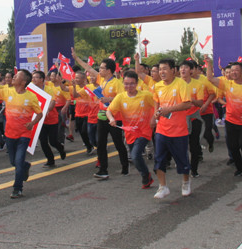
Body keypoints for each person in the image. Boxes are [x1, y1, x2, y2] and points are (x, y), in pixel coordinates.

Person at [0, 68, 42, 198]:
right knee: (13, 162)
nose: (14, 77)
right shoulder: (7, 91)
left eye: (17, 76)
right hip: (10, 134)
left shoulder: (31, 96)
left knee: (18, 162)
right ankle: (26, 166)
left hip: (24, 134)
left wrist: (32, 123)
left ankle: (17, 188)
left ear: (23, 82)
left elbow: (39, 114)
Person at [71, 49, 128, 179]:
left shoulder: (117, 83)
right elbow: (88, 68)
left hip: (114, 118)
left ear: (109, 70)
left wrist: (110, 99)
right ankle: (103, 170)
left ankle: (125, 167)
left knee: (118, 144)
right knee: (101, 144)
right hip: (101, 116)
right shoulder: (101, 80)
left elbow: (124, 98)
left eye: (102, 68)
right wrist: (76, 58)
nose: (100, 70)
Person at [205, 57, 242, 176]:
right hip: (230, 121)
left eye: (236, 70)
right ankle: (240, 168)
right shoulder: (227, 84)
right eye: (232, 70)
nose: (233, 72)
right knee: (233, 146)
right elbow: (210, 78)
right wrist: (209, 63)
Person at [151, 59, 193, 198]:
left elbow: (187, 104)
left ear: (173, 70)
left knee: (182, 159)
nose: (161, 72)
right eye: (160, 69)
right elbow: (156, 101)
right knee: (159, 159)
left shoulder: (181, 84)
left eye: (165, 69)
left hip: (179, 131)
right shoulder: (157, 86)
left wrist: (169, 109)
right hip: (162, 129)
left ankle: (186, 183)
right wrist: (156, 114)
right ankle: (163, 187)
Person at [106, 71, 156, 189]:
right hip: (129, 132)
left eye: (132, 83)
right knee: (135, 156)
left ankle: (145, 176)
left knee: (135, 155)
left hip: (144, 131)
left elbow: (157, 104)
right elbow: (109, 111)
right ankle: (146, 176)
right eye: (126, 84)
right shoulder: (120, 97)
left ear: (137, 83)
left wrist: (154, 118)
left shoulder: (146, 95)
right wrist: (111, 119)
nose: (129, 86)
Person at [32, 70, 66, 168]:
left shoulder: (48, 89)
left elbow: (52, 102)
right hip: (40, 120)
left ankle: (60, 148)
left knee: (53, 141)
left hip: (52, 119)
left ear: (42, 79)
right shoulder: (31, 89)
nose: (33, 79)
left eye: (36, 77)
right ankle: (50, 160)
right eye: (33, 77)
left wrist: (47, 110)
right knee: (43, 141)